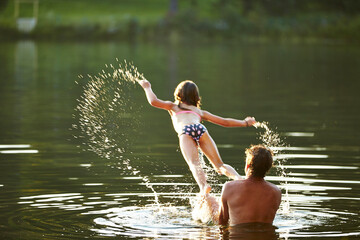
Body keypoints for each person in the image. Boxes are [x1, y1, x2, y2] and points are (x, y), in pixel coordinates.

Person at [138, 79, 256, 194]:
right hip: (200, 128)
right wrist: (245, 122)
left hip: (185, 131)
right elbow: (225, 122)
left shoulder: (173, 106)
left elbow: (153, 101)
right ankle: (239, 178)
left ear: (178, 94)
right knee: (220, 165)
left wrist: (147, 87)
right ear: (196, 97)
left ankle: (204, 187)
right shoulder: (199, 112)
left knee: (194, 163)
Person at [194, 144, 281, 225]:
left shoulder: (229, 187)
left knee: (209, 201)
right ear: (268, 168)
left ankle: (205, 195)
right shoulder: (276, 192)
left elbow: (222, 222)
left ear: (247, 166)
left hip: (236, 235)